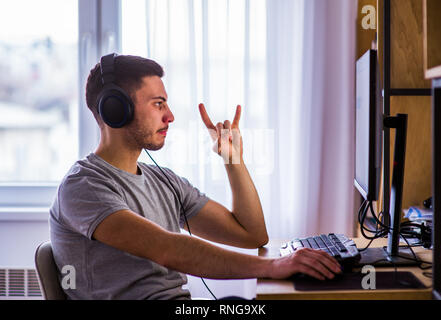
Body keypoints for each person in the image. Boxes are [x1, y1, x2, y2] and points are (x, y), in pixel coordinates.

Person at [49, 54, 342, 300]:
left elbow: (251, 235)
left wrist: (233, 160)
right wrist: (274, 266)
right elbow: (168, 248)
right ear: (116, 110)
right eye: (158, 103)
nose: (170, 116)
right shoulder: (83, 186)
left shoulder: (164, 181)